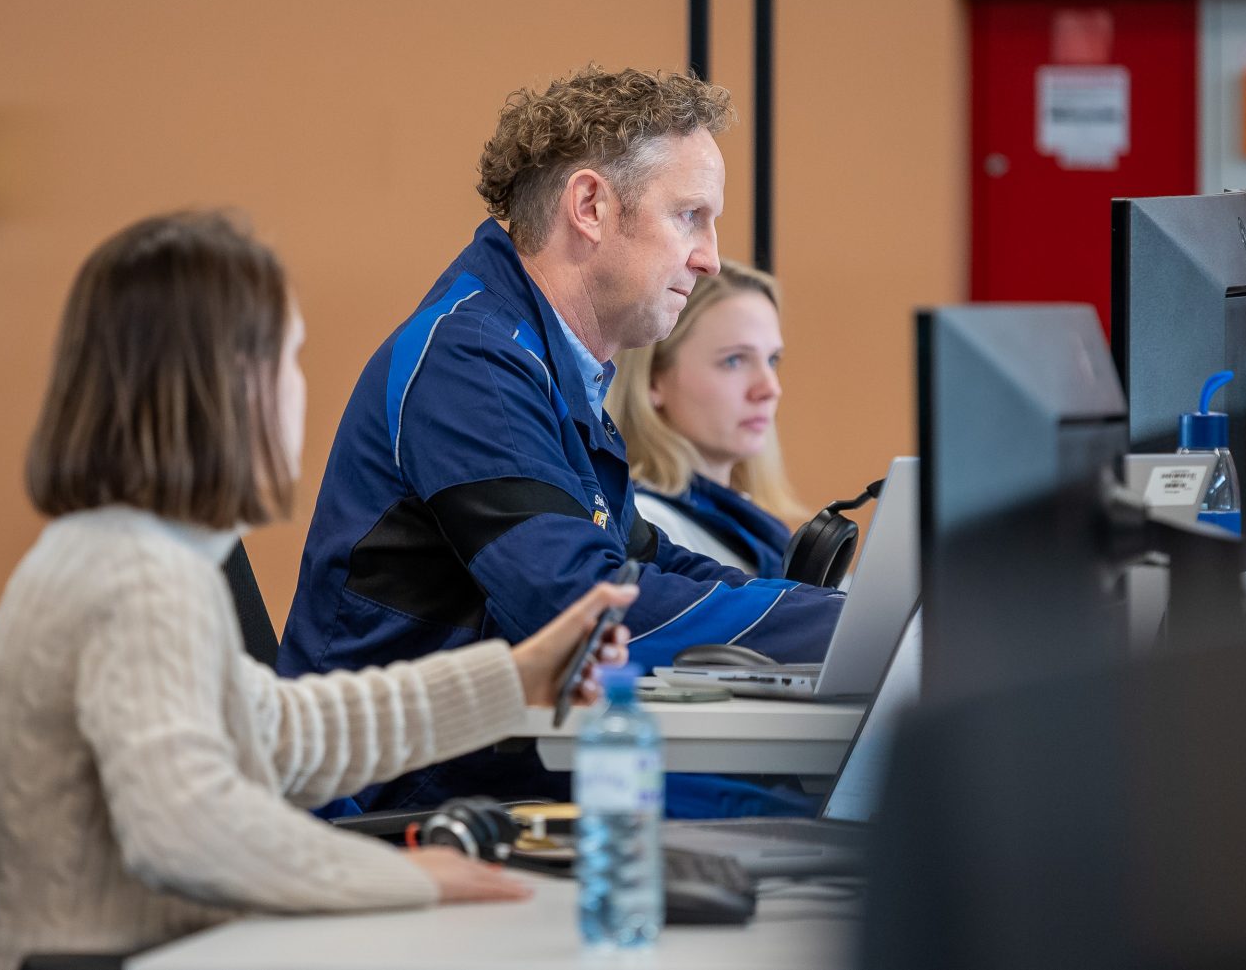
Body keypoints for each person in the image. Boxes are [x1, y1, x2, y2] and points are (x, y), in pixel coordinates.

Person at [0, 212, 635, 970]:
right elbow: (188, 826)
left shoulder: (123, 553)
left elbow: (283, 735)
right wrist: (401, 876)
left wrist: (517, 681)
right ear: (233, 384)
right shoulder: (137, 576)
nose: (300, 389)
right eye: (291, 359)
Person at [279, 67, 844, 815]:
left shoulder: (542, 359)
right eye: (690, 217)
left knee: (805, 805)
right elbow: (581, 605)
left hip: (472, 766)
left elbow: (638, 559)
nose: (709, 256)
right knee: (801, 816)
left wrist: (831, 612)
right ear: (589, 206)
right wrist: (847, 629)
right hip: (385, 795)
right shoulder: (473, 360)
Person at [607, 261, 806, 577]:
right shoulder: (647, 527)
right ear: (653, 380)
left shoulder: (749, 522)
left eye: (772, 360)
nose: (770, 388)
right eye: (734, 360)